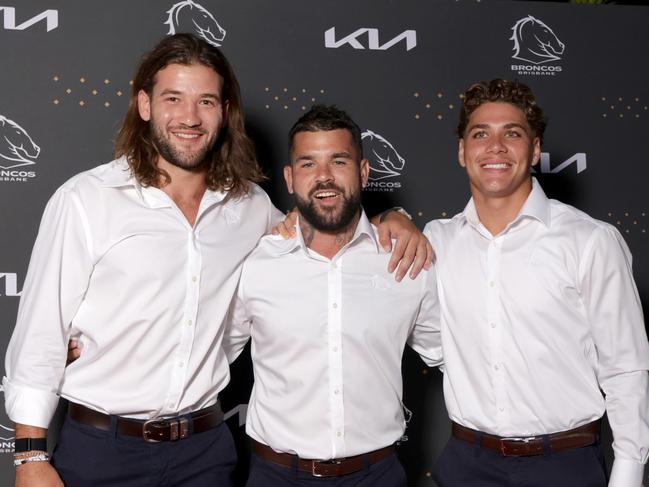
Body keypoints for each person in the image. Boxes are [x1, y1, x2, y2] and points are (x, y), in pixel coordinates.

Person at [3, 34, 429, 487]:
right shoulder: (86, 200)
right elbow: (41, 331)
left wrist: (392, 217)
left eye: (206, 101)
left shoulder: (251, 209)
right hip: (101, 448)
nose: (190, 117)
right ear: (144, 105)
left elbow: (324, 221)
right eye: (174, 98)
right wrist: (29, 455)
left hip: (203, 451)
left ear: (224, 113)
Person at [425, 78, 649, 487]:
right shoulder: (436, 241)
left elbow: (626, 366)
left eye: (512, 133)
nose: (495, 147)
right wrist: (394, 216)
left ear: (535, 149)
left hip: (564, 466)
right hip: (466, 465)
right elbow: (429, 339)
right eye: (480, 134)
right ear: (462, 151)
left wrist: (629, 473)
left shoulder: (590, 240)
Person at [223, 105, 442, 486]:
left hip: (376, 476)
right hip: (277, 476)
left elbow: (458, 355)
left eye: (338, 161)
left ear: (363, 172)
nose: (324, 177)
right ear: (290, 178)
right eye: (308, 164)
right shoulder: (255, 264)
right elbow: (206, 353)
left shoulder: (406, 261)